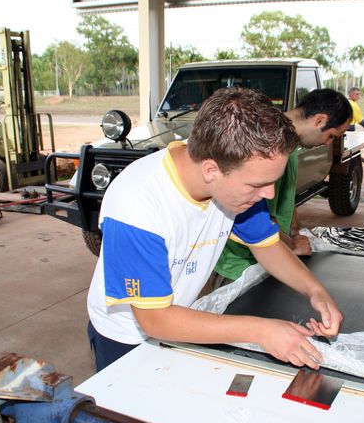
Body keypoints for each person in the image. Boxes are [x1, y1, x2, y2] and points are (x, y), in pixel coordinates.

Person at [87, 87, 344, 372]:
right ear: (211, 170)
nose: (269, 195)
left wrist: (315, 291)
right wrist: (262, 331)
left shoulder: (236, 183)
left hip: (180, 318)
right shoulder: (136, 207)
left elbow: (267, 245)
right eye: (258, 184)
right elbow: (155, 319)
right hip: (127, 338)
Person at [212, 89, 353, 286]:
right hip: (242, 268)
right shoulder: (268, 146)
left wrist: (294, 231)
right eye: (331, 136)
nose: (328, 143)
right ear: (319, 120)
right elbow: (254, 213)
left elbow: (286, 196)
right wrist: (292, 244)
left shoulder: (288, 145)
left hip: (275, 253)